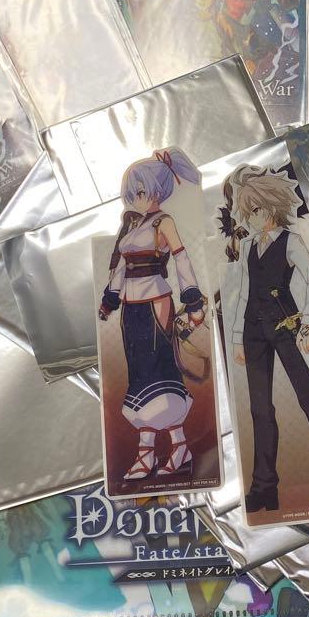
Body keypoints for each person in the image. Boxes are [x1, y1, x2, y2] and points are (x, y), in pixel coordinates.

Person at [227, 164, 309, 512]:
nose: (252, 218)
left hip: (286, 324)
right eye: (247, 212)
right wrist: (237, 337)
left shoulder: (291, 241)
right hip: (254, 330)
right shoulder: (247, 246)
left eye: (256, 210)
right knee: (260, 408)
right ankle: (264, 488)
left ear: (272, 206)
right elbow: (244, 292)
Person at [98, 149, 207, 482]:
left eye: (141, 192)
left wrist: (193, 301)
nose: (137, 199)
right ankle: (179, 448)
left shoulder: (164, 222)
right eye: (133, 194)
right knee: (140, 375)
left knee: (157, 372)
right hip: (130, 308)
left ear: (157, 190)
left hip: (156, 302)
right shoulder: (132, 224)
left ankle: (147, 455)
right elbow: (121, 266)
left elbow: (182, 260)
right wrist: (110, 299)